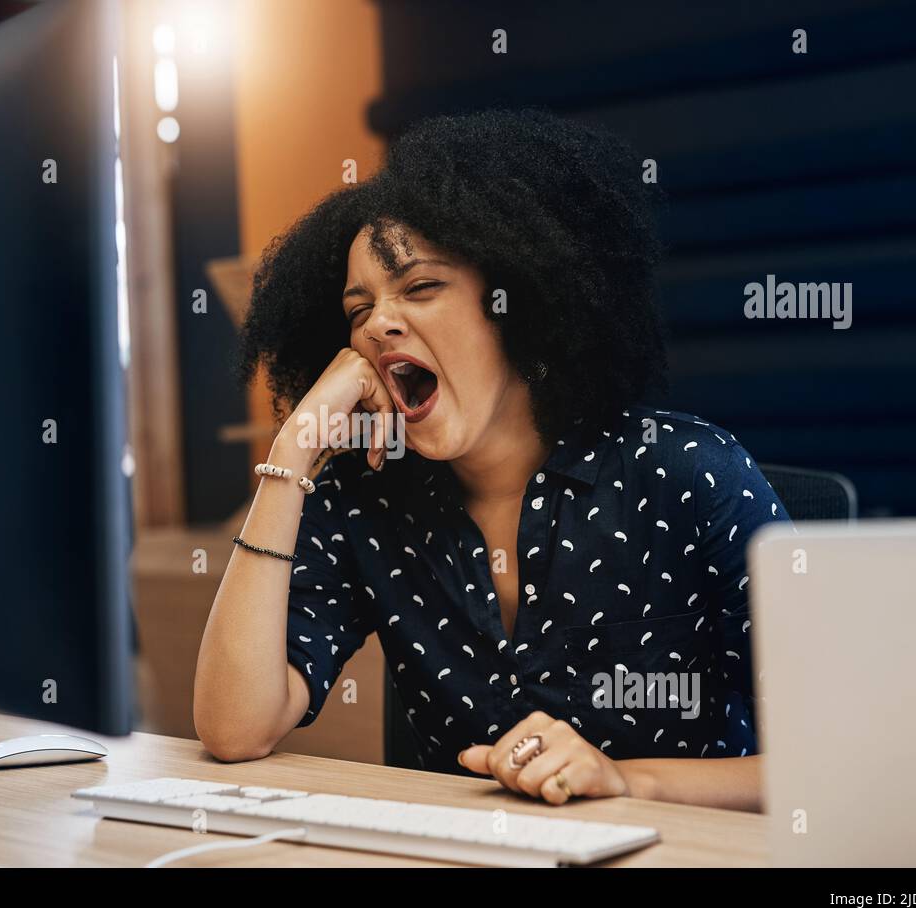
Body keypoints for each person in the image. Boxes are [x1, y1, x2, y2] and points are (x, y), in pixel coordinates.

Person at [194, 108, 791, 811]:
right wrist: (295, 444)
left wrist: (630, 779)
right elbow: (234, 729)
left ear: (519, 302)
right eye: (358, 309)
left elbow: (840, 759)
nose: (379, 323)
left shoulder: (690, 473)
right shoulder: (367, 499)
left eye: (419, 288)